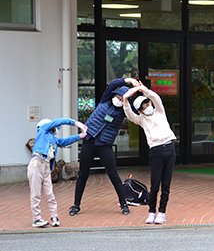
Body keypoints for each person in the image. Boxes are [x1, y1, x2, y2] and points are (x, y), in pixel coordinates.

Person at [69, 77, 140, 216]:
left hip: (104, 145)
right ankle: (76, 206)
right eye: (118, 96)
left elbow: (136, 109)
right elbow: (114, 83)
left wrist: (137, 90)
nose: (119, 99)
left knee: (113, 175)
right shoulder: (105, 100)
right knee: (83, 175)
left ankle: (124, 205)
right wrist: (129, 80)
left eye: (122, 98)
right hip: (89, 141)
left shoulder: (124, 110)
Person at [122, 84, 177, 224]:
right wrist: (125, 101)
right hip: (156, 151)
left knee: (166, 185)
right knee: (155, 184)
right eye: (142, 107)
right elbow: (129, 115)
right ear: (140, 111)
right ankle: (151, 212)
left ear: (150, 102)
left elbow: (156, 97)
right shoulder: (141, 119)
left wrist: (144, 90)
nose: (146, 108)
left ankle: (162, 213)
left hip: (170, 149)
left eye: (146, 104)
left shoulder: (160, 111)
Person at [28, 118, 87, 227]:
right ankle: (36, 218)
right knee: (35, 194)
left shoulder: (53, 139)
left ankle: (54, 217)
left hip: (45, 165)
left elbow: (64, 141)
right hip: (37, 163)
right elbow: (59, 121)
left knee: (50, 193)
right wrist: (76, 123)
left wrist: (79, 136)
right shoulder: (43, 131)